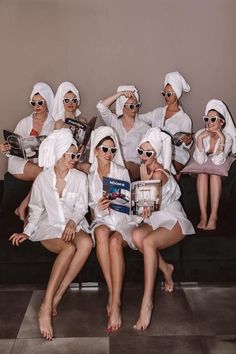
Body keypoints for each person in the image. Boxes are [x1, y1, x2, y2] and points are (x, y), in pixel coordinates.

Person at [9, 128, 93, 341]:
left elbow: (82, 206)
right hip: (49, 226)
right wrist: (26, 232)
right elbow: (36, 210)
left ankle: (57, 297)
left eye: (76, 155)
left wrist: (73, 222)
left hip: (73, 223)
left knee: (86, 244)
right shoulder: (43, 180)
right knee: (69, 248)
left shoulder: (80, 178)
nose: (75, 159)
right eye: (70, 155)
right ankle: (45, 307)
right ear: (58, 155)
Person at [131, 127, 195, 331]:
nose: (143, 156)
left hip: (173, 218)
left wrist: (143, 178)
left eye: (148, 153)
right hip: (156, 218)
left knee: (148, 242)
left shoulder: (160, 173)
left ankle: (147, 301)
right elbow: (142, 208)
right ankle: (166, 268)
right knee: (136, 235)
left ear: (157, 154)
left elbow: (147, 197)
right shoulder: (146, 169)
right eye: (141, 151)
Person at [88, 126, 136, 332]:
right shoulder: (89, 177)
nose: (109, 154)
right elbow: (91, 210)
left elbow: (128, 206)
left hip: (123, 220)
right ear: (96, 151)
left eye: (112, 150)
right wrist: (99, 208)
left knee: (115, 241)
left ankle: (115, 301)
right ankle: (112, 292)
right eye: (105, 149)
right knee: (100, 233)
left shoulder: (122, 172)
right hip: (102, 220)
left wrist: (120, 203)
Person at [0, 82, 55, 220]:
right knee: (41, 173)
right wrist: (6, 148)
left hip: (41, 163)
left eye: (40, 102)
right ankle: (25, 206)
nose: (36, 106)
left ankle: (24, 207)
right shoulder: (24, 122)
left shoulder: (53, 124)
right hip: (19, 162)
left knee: (45, 172)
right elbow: (14, 145)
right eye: (33, 103)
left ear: (47, 102)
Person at [193, 99, 236, 230]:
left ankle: (213, 216)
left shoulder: (227, 137)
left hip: (219, 168)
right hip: (204, 167)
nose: (209, 122)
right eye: (207, 119)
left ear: (221, 122)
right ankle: (203, 215)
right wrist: (200, 139)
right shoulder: (200, 134)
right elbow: (200, 161)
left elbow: (218, 161)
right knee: (202, 173)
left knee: (214, 175)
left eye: (213, 119)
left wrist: (221, 139)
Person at [139, 71, 193, 176]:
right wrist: (123, 114)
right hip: (156, 153)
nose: (166, 97)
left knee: (161, 172)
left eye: (169, 94)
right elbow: (139, 119)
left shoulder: (184, 118)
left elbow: (187, 145)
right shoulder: (158, 112)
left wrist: (187, 141)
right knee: (146, 167)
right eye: (164, 93)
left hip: (176, 154)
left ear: (177, 94)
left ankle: (171, 184)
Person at [96, 85, 150, 181]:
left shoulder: (144, 127)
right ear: (122, 106)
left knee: (124, 171)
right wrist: (120, 94)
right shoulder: (114, 122)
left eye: (136, 105)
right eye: (131, 106)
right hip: (114, 163)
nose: (134, 108)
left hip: (133, 165)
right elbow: (101, 107)